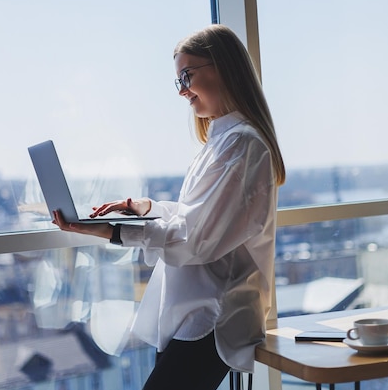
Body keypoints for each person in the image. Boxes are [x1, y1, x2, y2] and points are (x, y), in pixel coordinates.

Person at [52, 24, 286, 390]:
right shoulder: (221, 142)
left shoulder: (243, 145)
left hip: (213, 316)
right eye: (178, 81)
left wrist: (112, 231)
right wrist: (144, 208)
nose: (183, 92)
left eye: (186, 76)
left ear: (222, 66)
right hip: (193, 313)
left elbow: (200, 239)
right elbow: (199, 218)